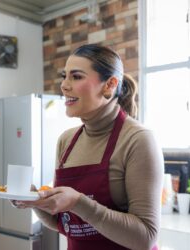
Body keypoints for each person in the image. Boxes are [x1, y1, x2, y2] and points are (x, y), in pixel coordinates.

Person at [12, 44, 164, 250]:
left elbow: (145, 237)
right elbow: (65, 224)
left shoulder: (137, 140)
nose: (64, 86)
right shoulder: (66, 140)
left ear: (109, 85)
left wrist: (78, 203)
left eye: (76, 77)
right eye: (64, 76)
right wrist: (34, 201)